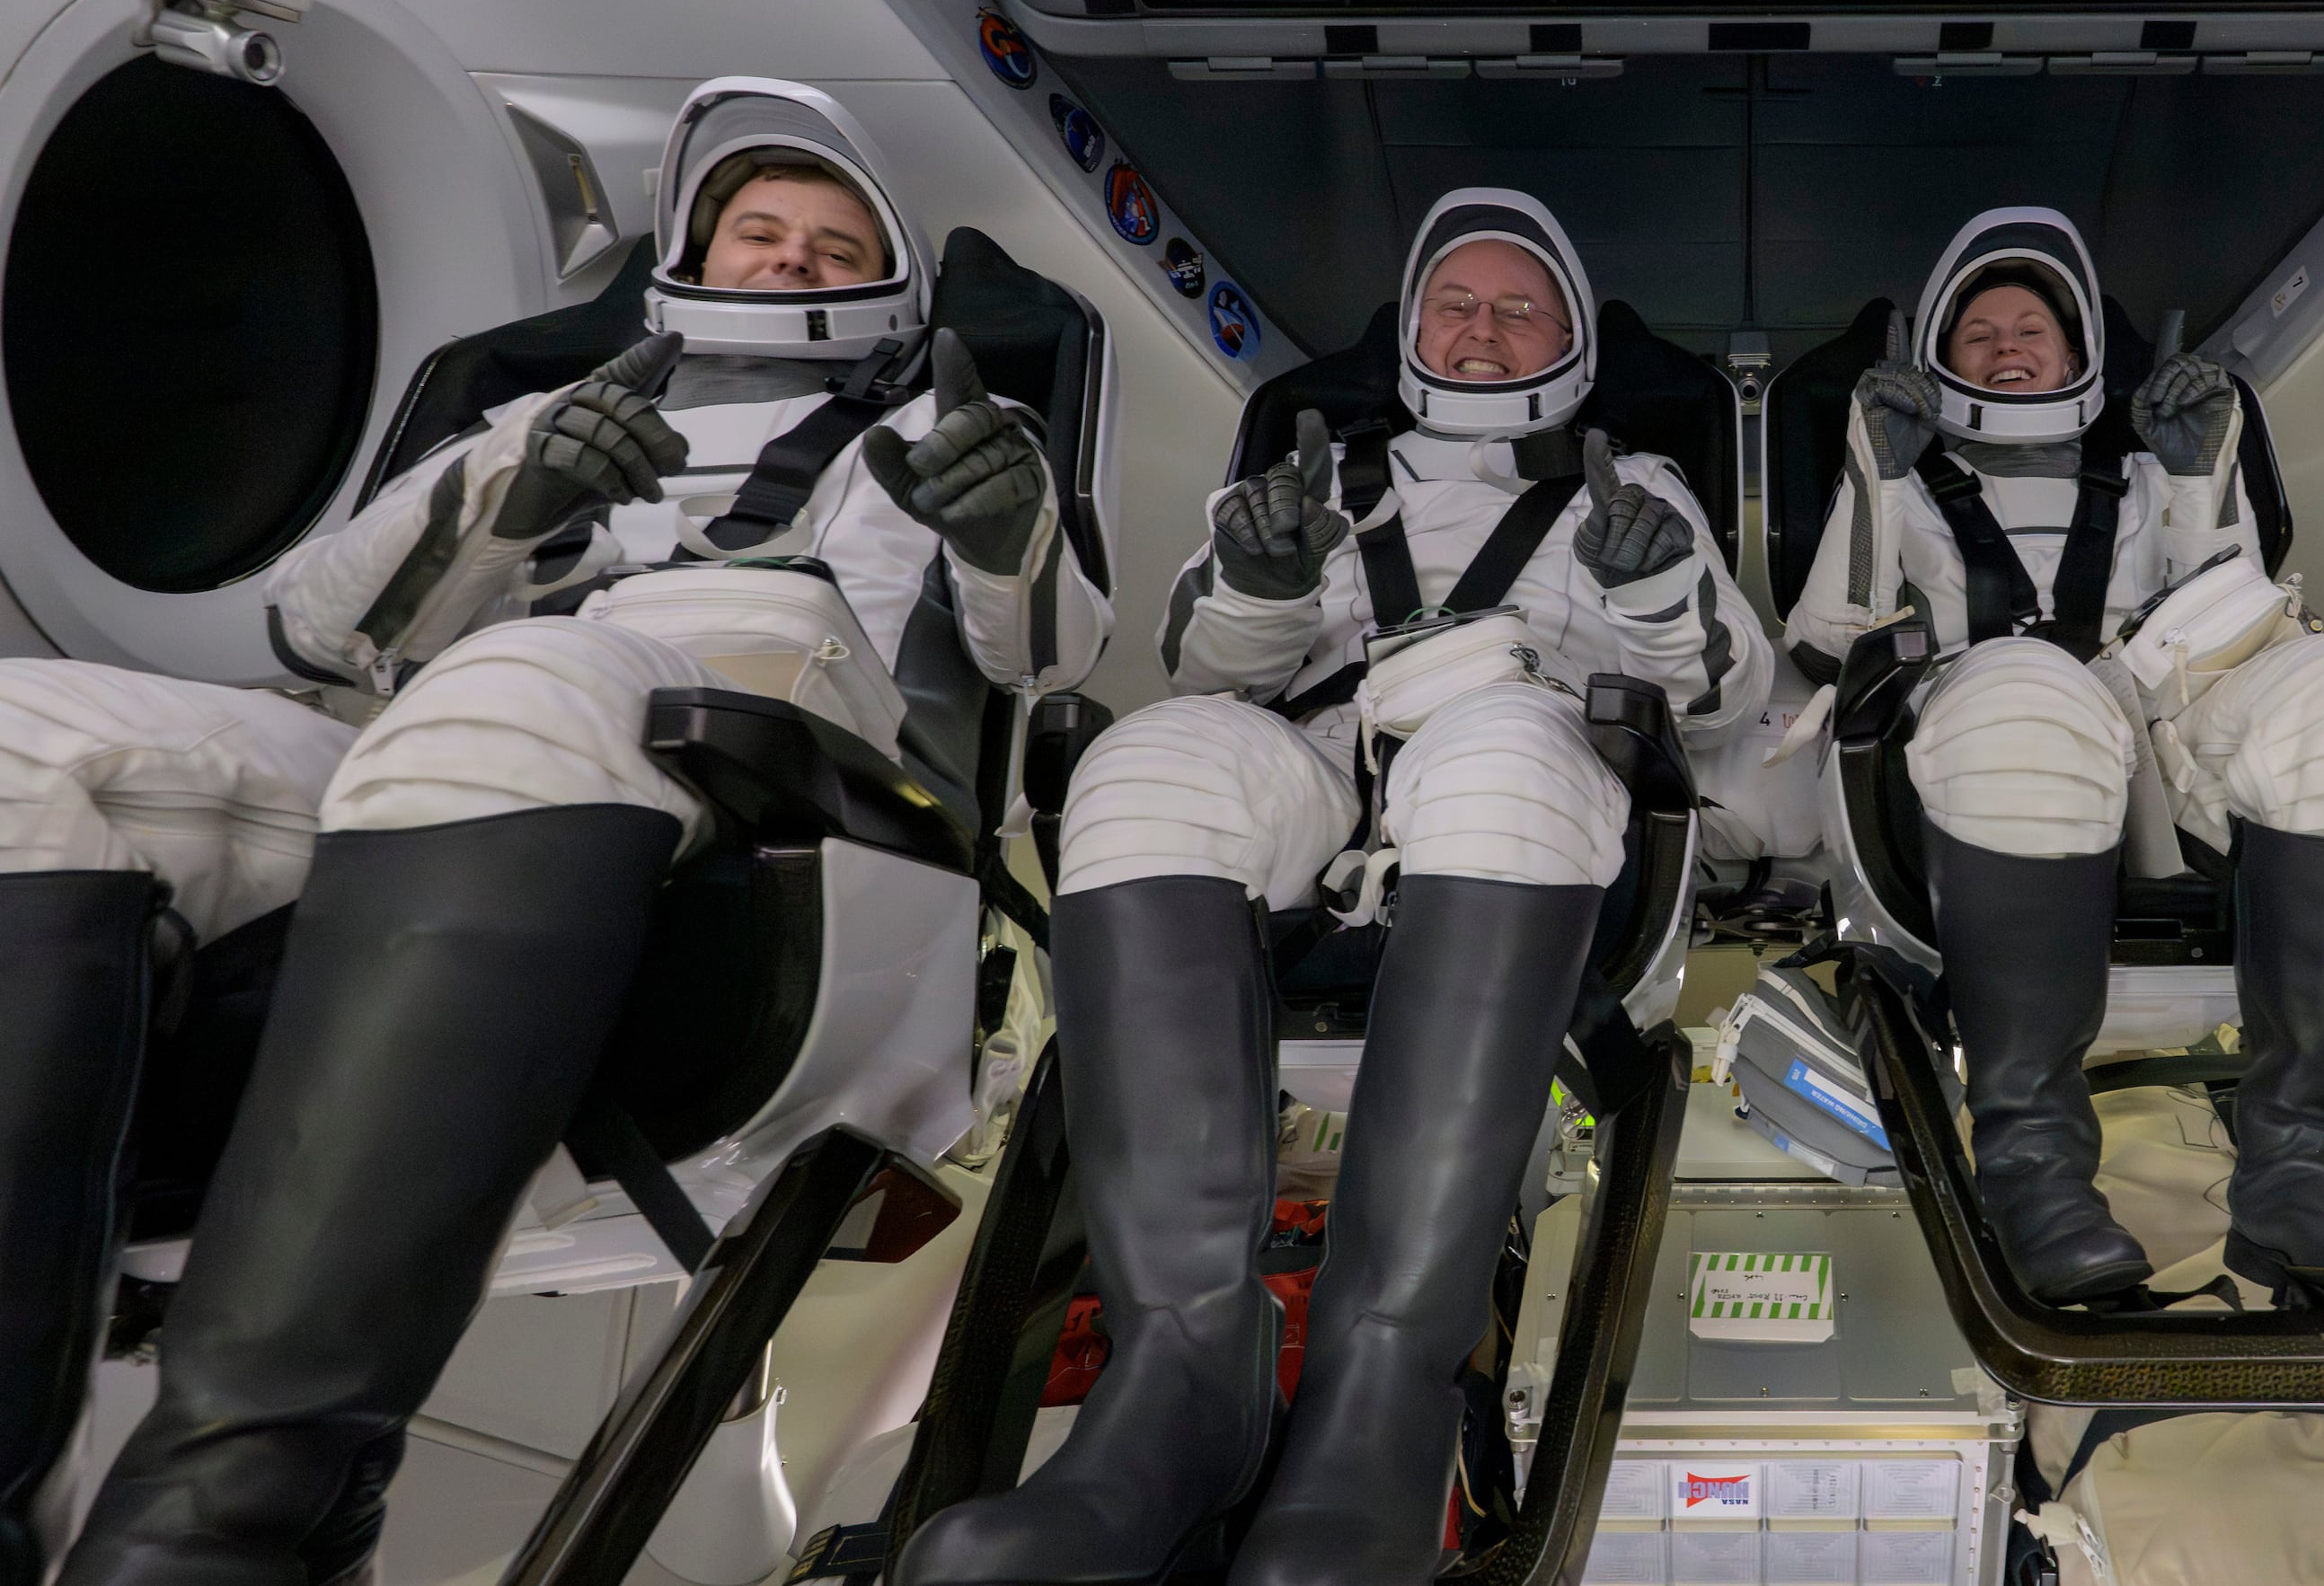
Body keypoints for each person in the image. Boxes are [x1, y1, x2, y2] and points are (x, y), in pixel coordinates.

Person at [32, 76, 1106, 1586]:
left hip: (791, 793)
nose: (790, 262)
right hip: (417, 780)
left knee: (541, 671)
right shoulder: (530, 421)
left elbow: (1044, 653)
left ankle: (227, 1537)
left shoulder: (949, 436)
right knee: (36, 743)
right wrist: (505, 495)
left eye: (830, 242)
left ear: (894, 278)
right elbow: (315, 622)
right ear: (694, 257)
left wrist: (1004, 531)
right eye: (759, 234)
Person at [894, 188, 1766, 1586]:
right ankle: (1183, 1369)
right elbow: (1209, 671)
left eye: (1520, 308)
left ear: (1571, 339)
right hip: (1318, 761)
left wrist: (1656, 594)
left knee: (1495, 756)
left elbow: (1726, 693)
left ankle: (1385, 1384)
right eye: (1456, 307)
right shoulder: (1305, 477)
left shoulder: (1638, 490)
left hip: (1522, 755)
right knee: (1152, 757)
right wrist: (1257, 581)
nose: (1485, 332)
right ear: (1413, 328)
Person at [1784, 208, 2324, 1308]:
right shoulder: (1906, 484)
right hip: (1968, 772)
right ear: (1940, 362)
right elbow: (1824, 644)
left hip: (2160, 766)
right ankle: (2032, 1172)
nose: (2007, 347)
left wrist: (2202, 482)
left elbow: (2231, 620)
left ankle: (2300, 1177)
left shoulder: (2151, 484)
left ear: (2080, 349)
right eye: (1977, 334)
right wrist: (1875, 473)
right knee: (2031, 688)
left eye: (2030, 326)